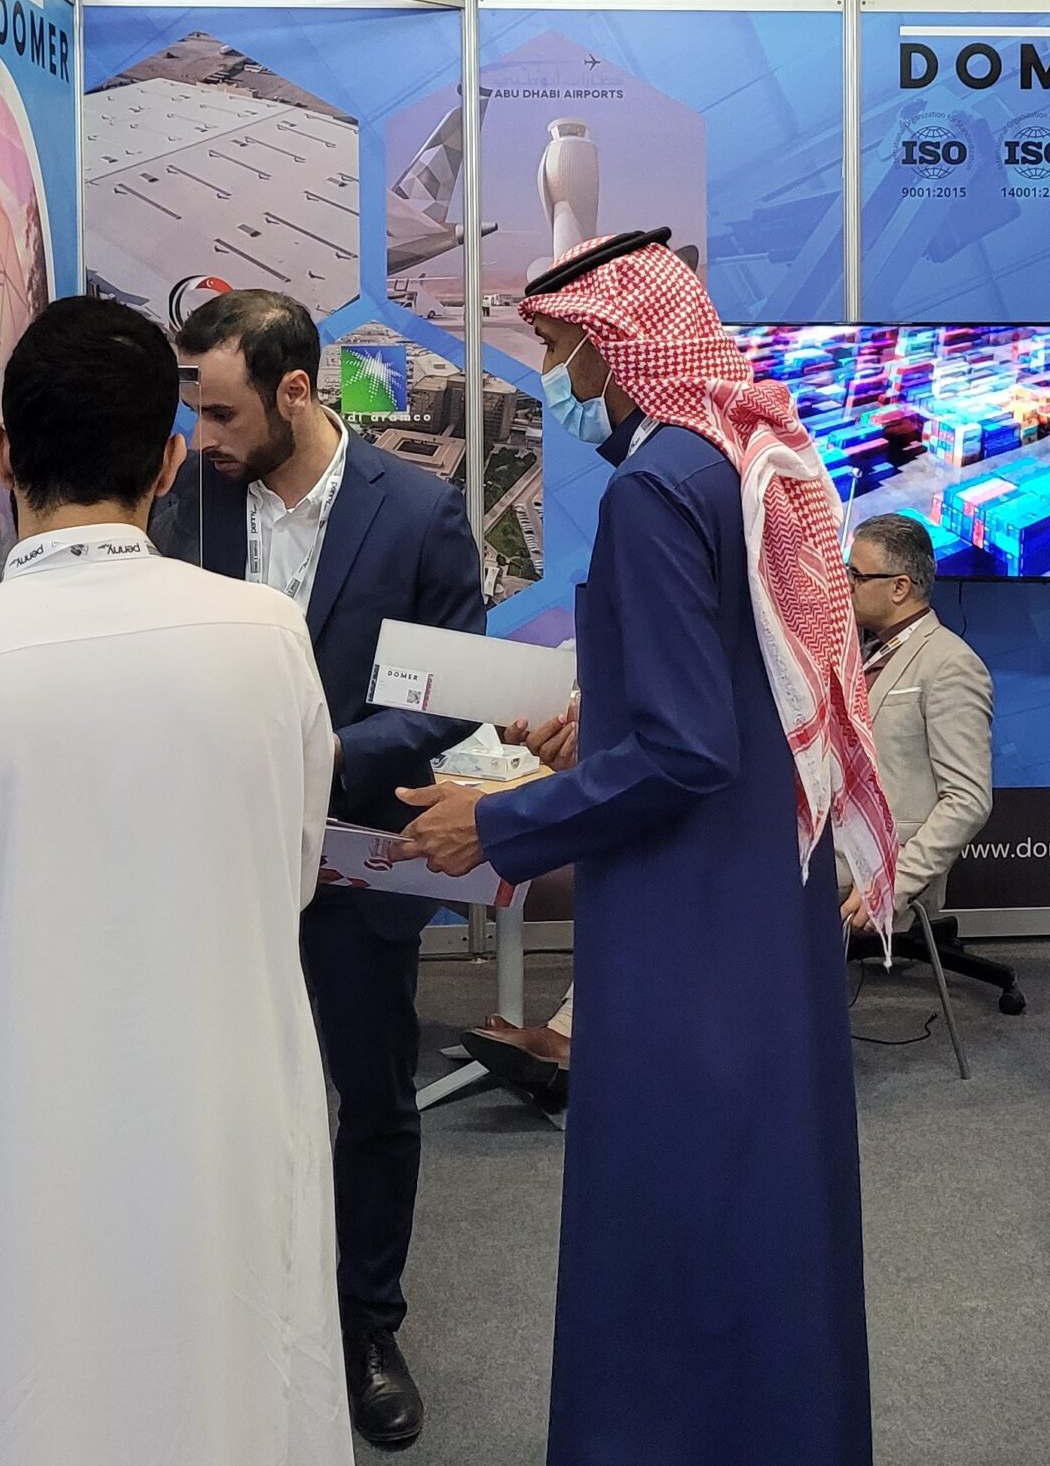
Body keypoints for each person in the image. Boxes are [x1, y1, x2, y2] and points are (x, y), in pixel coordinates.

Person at [395, 227, 900, 1466]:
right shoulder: (742, 455)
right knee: (768, 1205)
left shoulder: (653, 488)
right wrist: (601, 715)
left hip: (686, 923)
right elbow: (744, 680)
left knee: (669, 1219)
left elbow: (685, 752)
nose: (555, 379)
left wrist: (494, 823)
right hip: (762, 898)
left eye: (559, 349)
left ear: (615, 345)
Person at [0, 296, 349, 1466]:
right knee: (245, 1393)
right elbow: (286, 877)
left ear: (2, 455)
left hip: (26, 1147)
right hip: (228, 1117)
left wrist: (22, 1021)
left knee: (30, 1404)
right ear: (169, 464)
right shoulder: (267, 640)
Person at [154, 288, 484, 1453]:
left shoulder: (419, 513)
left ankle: (364, 1331)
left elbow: (456, 688)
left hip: (356, 858)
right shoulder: (189, 502)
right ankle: (238, 1323)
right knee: (223, 1098)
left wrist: (332, 757)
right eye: (195, 412)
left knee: (372, 1101)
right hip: (218, 865)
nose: (203, 437)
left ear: (295, 393)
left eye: (224, 412)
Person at [839, 512, 994, 930]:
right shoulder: (861, 652)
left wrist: (894, 883)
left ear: (899, 587)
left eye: (857, 576)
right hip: (832, 841)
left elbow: (968, 801)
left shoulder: (950, 664)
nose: (845, 585)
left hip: (879, 862)